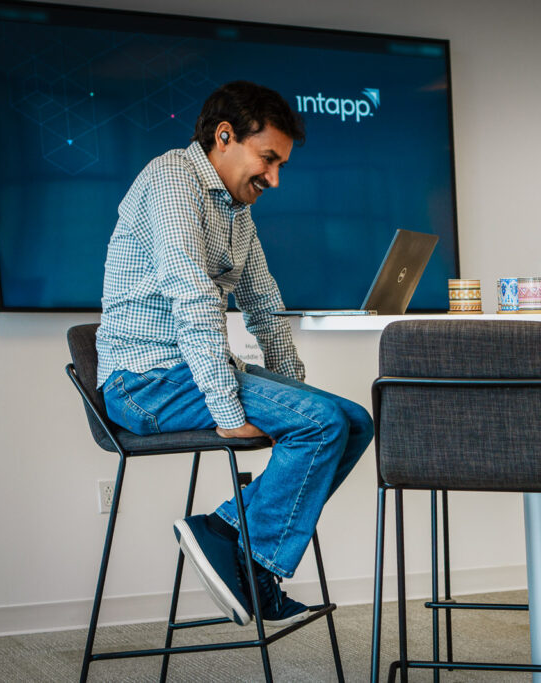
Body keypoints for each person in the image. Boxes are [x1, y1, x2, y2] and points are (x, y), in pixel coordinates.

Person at [96, 81, 373, 627]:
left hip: (189, 374)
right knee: (320, 425)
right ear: (225, 137)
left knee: (353, 421)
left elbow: (264, 303)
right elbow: (194, 297)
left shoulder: (233, 205)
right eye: (268, 159)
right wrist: (228, 412)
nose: (275, 178)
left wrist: (296, 388)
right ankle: (237, 549)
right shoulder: (171, 183)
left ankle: (237, 545)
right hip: (145, 382)